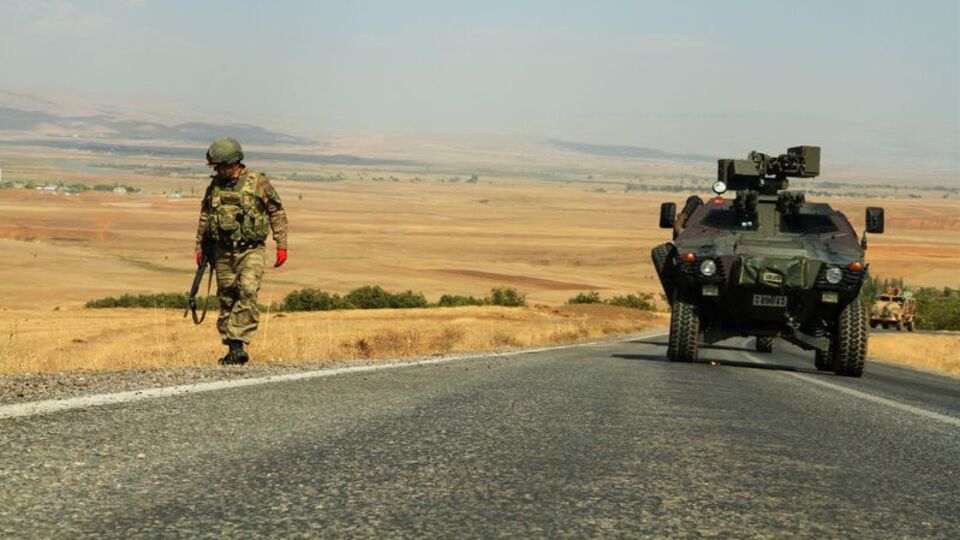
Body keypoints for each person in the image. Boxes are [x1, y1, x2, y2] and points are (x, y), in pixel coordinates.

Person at [195, 137, 288, 365]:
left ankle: (238, 342)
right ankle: (232, 350)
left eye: (220, 165)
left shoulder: (258, 182)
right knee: (227, 298)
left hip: (251, 250)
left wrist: (281, 244)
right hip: (222, 251)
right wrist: (200, 246)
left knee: (247, 291)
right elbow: (206, 216)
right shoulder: (215, 186)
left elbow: (277, 212)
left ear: (233, 163)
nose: (217, 170)